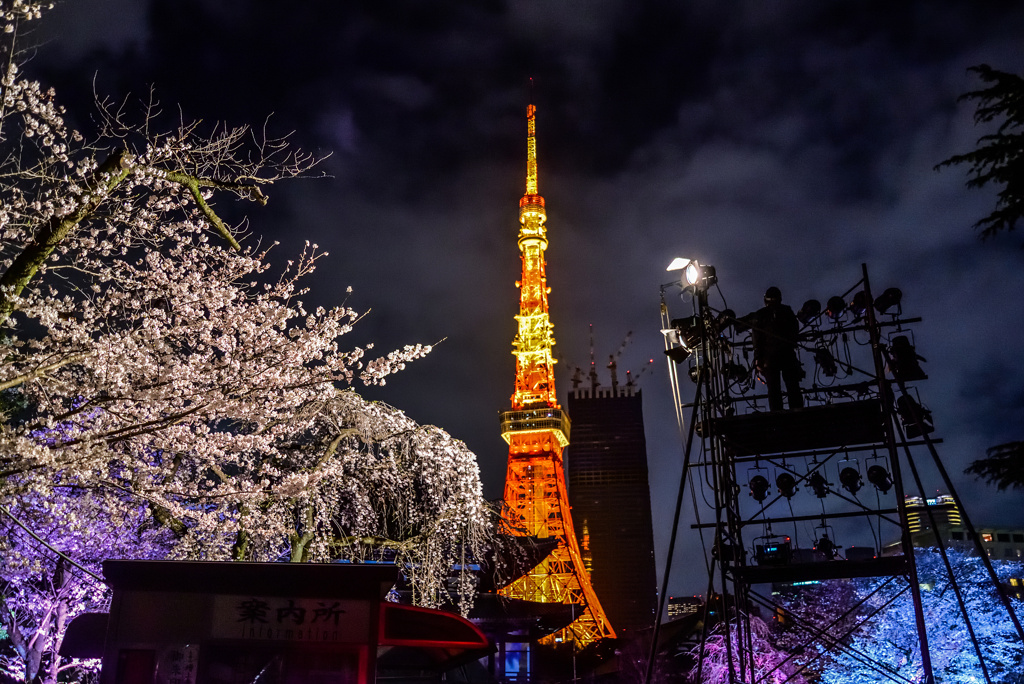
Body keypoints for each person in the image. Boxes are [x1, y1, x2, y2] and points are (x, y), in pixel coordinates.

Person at [748, 286, 804, 411]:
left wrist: (758, 358)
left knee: (774, 388)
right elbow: (795, 329)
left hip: (769, 356)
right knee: (792, 385)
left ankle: (777, 413)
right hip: (787, 353)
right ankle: (797, 410)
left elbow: (756, 339)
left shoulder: (760, 315)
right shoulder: (787, 311)